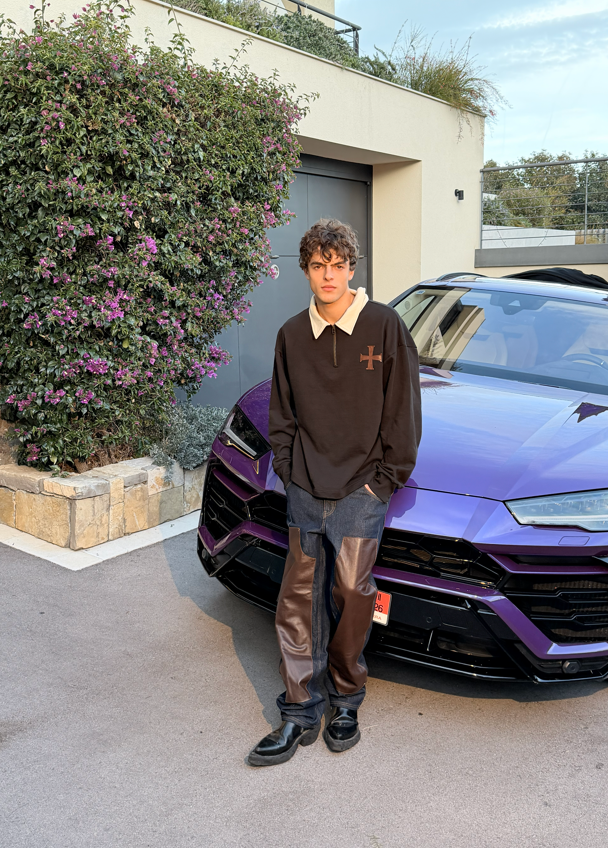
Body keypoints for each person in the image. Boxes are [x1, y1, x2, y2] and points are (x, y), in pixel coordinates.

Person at [247, 218, 422, 767]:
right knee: (297, 600)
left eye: (338, 265)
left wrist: (383, 481)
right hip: (305, 487)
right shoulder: (291, 334)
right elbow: (282, 415)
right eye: (319, 265)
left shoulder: (384, 325)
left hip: (361, 492)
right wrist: (288, 469)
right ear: (306, 270)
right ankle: (299, 709)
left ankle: (345, 698)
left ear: (351, 268)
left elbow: (404, 411)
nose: (329, 275)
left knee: (352, 592)